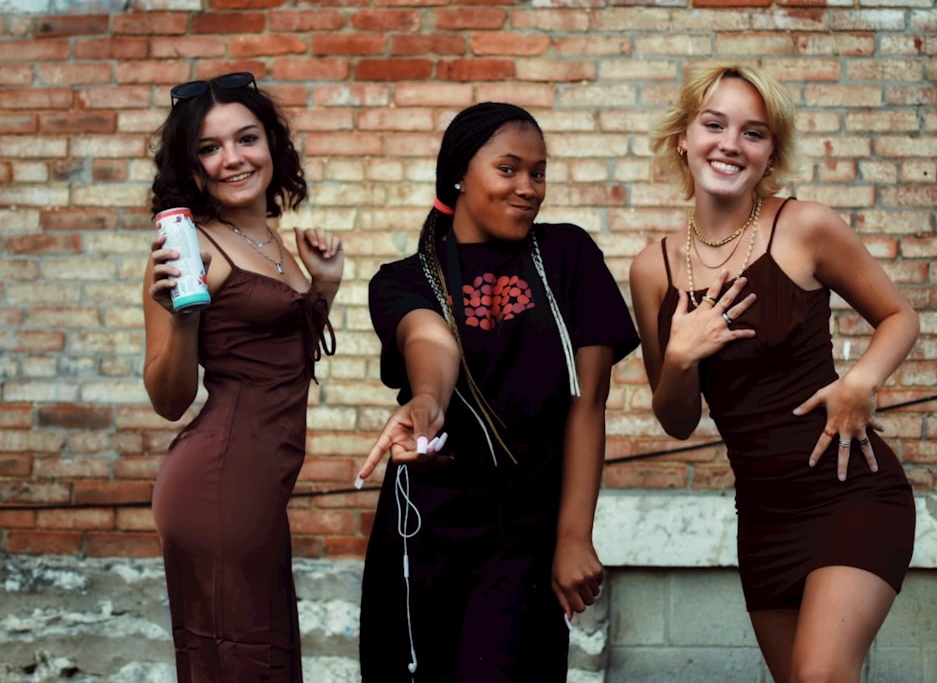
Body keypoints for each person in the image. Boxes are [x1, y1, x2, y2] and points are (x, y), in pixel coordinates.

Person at [629, 63, 918, 683]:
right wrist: (680, 358)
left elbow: (898, 316)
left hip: (853, 493)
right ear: (684, 137)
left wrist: (860, 382)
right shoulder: (651, 269)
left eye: (753, 133)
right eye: (714, 124)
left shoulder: (804, 227)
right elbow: (678, 421)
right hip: (764, 518)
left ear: (769, 154)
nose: (731, 143)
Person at [355, 102, 638, 682]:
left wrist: (572, 535)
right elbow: (429, 340)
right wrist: (428, 401)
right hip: (423, 539)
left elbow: (588, 402)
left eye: (538, 172)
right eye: (508, 169)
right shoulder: (403, 280)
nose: (528, 188)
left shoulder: (568, 256)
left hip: (524, 539)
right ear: (459, 173)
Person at [143, 71, 343, 682]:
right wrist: (181, 316)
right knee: (236, 660)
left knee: (265, 657)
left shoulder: (268, 240)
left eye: (246, 138)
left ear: (272, 145)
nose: (233, 158)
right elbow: (169, 399)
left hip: (260, 486)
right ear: (191, 165)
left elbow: (285, 358)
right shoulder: (190, 248)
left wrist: (324, 287)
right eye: (209, 147)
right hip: (219, 483)